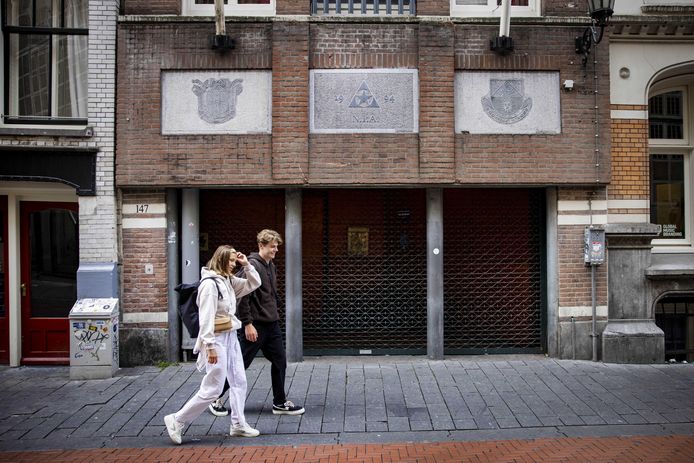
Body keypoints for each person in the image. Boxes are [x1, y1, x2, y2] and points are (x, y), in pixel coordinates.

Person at [164, 245, 261, 445]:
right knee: (213, 388)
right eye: (231, 261)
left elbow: (254, 283)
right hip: (215, 338)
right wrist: (209, 346)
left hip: (230, 335)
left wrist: (247, 265)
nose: (234, 265)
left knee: (239, 381)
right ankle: (177, 419)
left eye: (235, 261)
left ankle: (238, 424)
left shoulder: (228, 280)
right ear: (221, 260)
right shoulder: (210, 284)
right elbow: (205, 317)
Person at [208, 229, 305, 417]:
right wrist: (248, 323)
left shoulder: (271, 265)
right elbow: (243, 298)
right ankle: (214, 397)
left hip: (271, 323)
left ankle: (279, 402)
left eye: (277, 246)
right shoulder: (251, 265)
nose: (276, 250)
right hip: (256, 325)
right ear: (261, 246)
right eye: (272, 246)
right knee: (241, 363)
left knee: (280, 361)